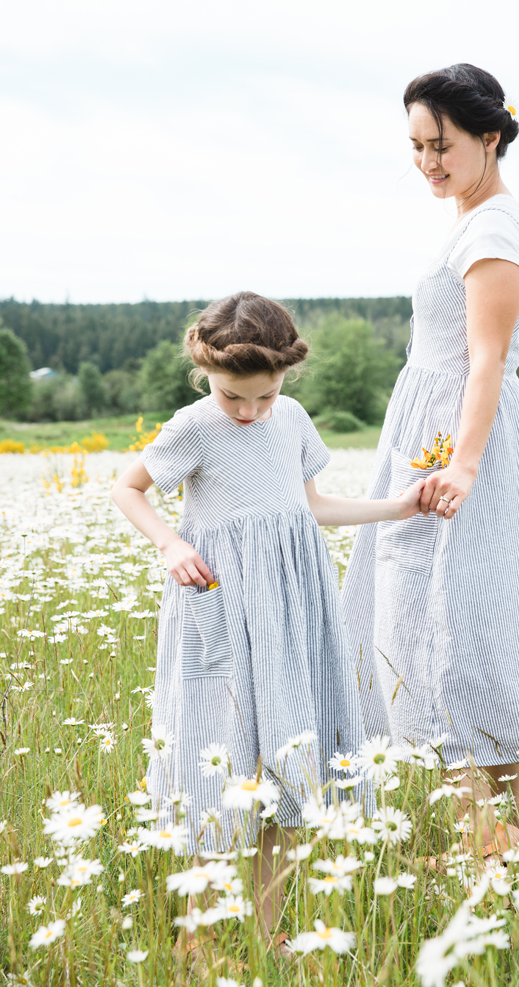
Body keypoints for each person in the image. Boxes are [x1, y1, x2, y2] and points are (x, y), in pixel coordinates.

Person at [341, 64, 519, 859]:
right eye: (417, 147)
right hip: (439, 439)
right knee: (448, 630)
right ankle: (489, 844)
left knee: (457, 638)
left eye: (442, 145)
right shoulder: (474, 217)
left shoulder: (492, 227)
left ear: (490, 137)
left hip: (461, 448)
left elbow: (485, 359)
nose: (427, 162)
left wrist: (463, 464)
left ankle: (490, 847)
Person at [110, 291, 424, 949]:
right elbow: (127, 487)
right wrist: (171, 543)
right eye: (234, 396)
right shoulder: (194, 426)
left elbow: (311, 506)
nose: (250, 411)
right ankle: (196, 940)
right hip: (222, 606)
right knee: (220, 756)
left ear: (285, 376)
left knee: (289, 756)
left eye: (265, 396)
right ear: (206, 373)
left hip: (294, 613)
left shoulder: (294, 419)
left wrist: (397, 507)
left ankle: (266, 932)